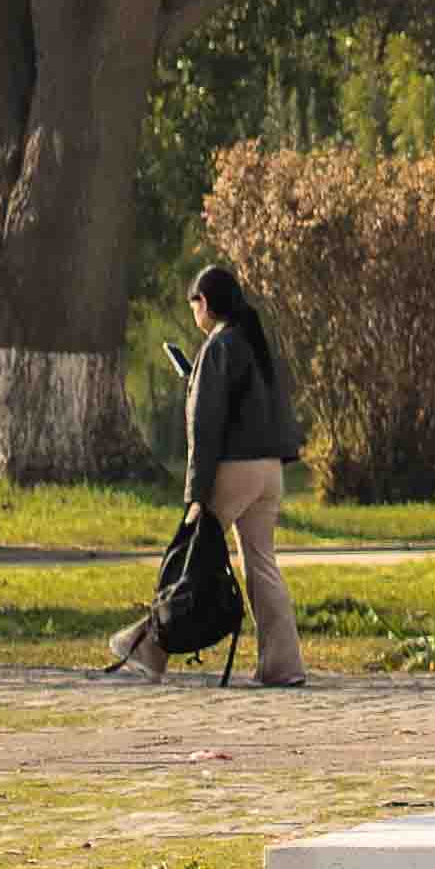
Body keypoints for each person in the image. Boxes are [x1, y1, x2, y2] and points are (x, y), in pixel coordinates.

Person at [153, 260, 305, 687]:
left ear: (204, 302)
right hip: (270, 471)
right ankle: (284, 666)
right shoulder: (253, 341)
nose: (194, 315)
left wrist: (196, 496)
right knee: (262, 565)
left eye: (193, 307)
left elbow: (204, 429)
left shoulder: (218, 346)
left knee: (189, 557)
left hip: (235, 470)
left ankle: (149, 650)